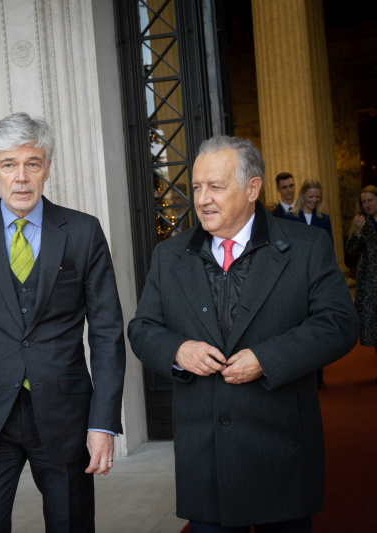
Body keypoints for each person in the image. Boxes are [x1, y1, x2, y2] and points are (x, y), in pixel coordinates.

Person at [127, 135, 358, 533]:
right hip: (205, 459)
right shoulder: (169, 255)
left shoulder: (306, 246)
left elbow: (339, 323)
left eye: (215, 187)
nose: (202, 199)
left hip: (281, 452)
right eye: (197, 187)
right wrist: (178, 350)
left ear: (253, 189)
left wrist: (267, 359)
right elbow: (142, 328)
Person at [0, 112, 126, 532]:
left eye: (32, 164)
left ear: (47, 168)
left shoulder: (83, 231)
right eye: (9, 165)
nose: (21, 177)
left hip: (65, 415)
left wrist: (103, 422)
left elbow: (107, 334)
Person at [285, 179, 333, 388]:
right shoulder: (289, 218)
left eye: (317, 197)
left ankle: (318, 378)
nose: (314, 200)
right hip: (296, 278)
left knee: (316, 327)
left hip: (317, 278)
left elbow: (329, 248)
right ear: (303, 195)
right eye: (311, 196)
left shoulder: (324, 219)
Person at [346, 185, 377, 367]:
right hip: (370, 285)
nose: (367, 204)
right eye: (364, 202)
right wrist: (357, 233)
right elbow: (350, 255)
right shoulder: (360, 222)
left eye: (370, 200)